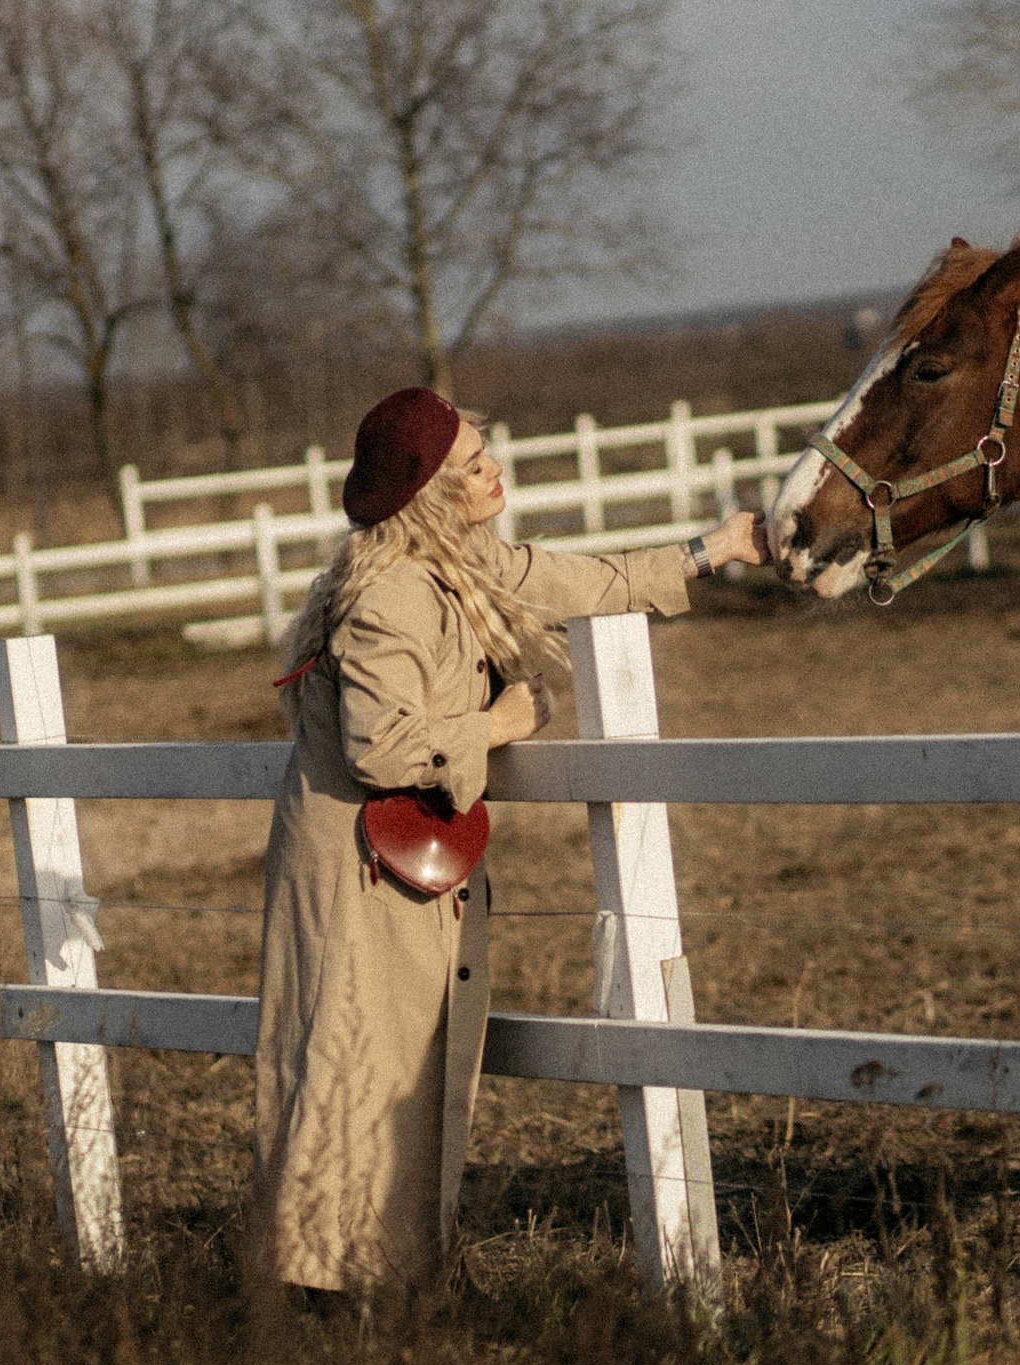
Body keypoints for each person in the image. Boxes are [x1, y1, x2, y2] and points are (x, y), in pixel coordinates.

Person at [252, 388, 764, 1291]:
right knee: (351, 1074)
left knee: (394, 1075)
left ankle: (380, 1287)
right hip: (353, 876)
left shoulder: (465, 563)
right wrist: (496, 723)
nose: (495, 470)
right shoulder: (390, 596)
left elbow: (583, 581)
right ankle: (327, 1296)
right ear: (428, 493)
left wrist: (712, 549)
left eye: (486, 453)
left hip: (390, 868)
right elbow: (380, 746)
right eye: (472, 464)